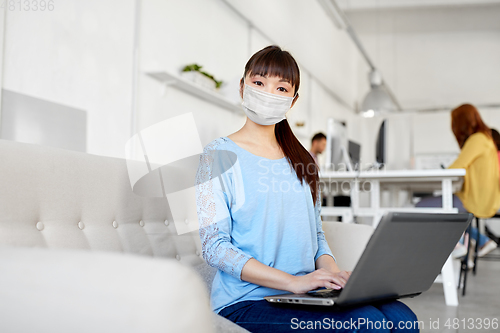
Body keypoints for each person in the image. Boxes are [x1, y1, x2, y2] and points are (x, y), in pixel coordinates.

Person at [195, 45, 418, 332]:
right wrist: (294, 282)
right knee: (370, 324)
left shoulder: (302, 160)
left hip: (305, 295)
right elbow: (215, 248)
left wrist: (334, 277)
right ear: (242, 87)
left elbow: (317, 236)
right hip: (247, 301)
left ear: (293, 100)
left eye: (281, 88)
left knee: (402, 318)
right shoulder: (217, 155)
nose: (268, 93)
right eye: (259, 83)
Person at [417, 104, 499, 259]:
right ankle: (474, 242)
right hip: (484, 197)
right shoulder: (486, 139)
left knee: (420, 205)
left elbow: (456, 167)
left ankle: (456, 244)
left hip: (475, 199)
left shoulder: (477, 139)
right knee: (450, 208)